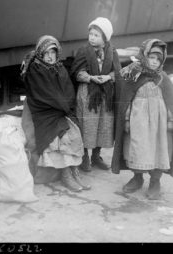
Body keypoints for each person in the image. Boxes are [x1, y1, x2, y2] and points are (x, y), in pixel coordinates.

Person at [22, 35, 91, 192]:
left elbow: (68, 91)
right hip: (44, 112)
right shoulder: (35, 69)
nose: (50, 56)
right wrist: (62, 106)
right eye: (46, 52)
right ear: (40, 53)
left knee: (75, 131)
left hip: (60, 110)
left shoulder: (60, 68)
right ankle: (66, 174)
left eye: (53, 52)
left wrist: (66, 107)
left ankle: (74, 172)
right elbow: (43, 94)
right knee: (61, 136)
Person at [112, 39, 173, 200]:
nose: (154, 62)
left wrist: (171, 119)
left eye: (158, 59)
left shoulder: (163, 78)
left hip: (159, 124)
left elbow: (170, 102)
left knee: (159, 149)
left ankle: (155, 181)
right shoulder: (134, 75)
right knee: (137, 148)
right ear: (145, 57)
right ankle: (137, 178)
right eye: (151, 58)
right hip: (138, 121)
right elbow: (127, 100)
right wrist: (125, 120)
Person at [70, 17, 121, 172]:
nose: (92, 38)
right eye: (91, 34)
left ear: (104, 37)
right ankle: (84, 156)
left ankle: (96, 156)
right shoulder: (83, 51)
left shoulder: (112, 52)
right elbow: (76, 72)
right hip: (87, 95)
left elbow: (118, 71)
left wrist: (108, 77)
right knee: (87, 125)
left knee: (103, 126)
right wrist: (91, 77)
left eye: (96, 35)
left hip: (105, 95)